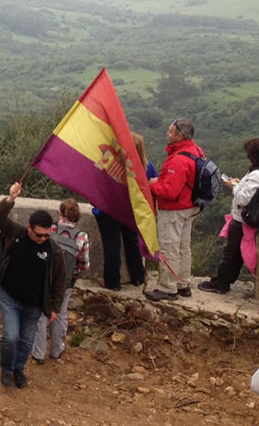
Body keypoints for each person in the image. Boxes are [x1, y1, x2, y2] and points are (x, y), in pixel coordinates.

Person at [0, 182, 67, 389]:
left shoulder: (54, 251)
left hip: (34, 304)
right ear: (29, 228)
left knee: (26, 340)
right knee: (10, 337)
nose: (43, 239)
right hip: (10, 295)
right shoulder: (17, 234)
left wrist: (55, 307)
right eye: (39, 234)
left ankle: (19, 368)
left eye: (47, 235)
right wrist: (10, 199)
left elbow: (60, 280)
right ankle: (6, 369)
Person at [146, 118, 204, 301]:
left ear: (179, 136)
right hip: (190, 206)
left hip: (174, 210)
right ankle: (182, 284)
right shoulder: (196, 151)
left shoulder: (179, 159)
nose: (167, 134)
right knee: (183, 247)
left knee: (169, 247)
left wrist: (153, 185)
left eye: (170, 132)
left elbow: (169, 192)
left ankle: (167, 288)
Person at [94, 132, 157, 290]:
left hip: (109, 210)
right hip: (132, 211)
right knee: (132, 243)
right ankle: (138, 276)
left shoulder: (108, 163)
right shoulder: (147, 167)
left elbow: (95, 183)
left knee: (112, 246)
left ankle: (112, 282)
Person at [199, 138, 259, 294]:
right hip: (244, 220)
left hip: (242, 220)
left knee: (231, 253)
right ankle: (224, 280)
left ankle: (221, 283)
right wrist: (239, 184)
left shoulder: (257, 175)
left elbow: (243, 198)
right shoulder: (256, 172)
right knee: (236, 253)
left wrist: (232, 187)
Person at [31, 198, 89, 364]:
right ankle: (57, 349)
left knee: (41, 315)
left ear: (61, 213)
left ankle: (38, 352)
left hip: (43, 279)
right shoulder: (81, 236)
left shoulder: (52, 229)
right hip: (65, 283)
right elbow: (84, 265)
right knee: (60, 314)